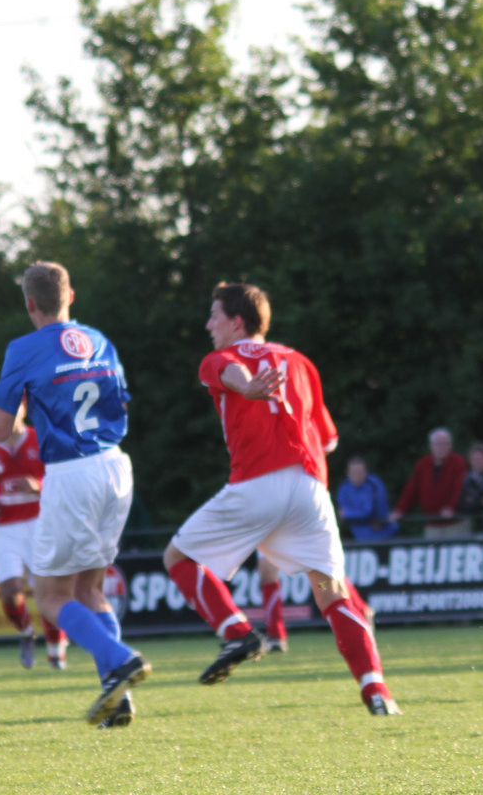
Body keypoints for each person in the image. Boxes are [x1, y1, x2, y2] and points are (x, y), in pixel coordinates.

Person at [162, 282, 400, 715]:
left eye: (214, 316)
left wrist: (249, 388)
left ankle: (236, 632)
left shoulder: (218, 358)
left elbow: (232, 373)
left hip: (258, 486)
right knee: (333, 594)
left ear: (237, 322)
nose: (208, 325)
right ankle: (376, 691)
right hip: (309, 490)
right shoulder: (300, 361)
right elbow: (328, 441)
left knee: (178, 558)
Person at [0, 261, 147, 728]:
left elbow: (0, 431)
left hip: (71, 472)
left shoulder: (23, 348)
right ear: (70, 296)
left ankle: (120, 657)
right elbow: (120, 402)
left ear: (29, 303)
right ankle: (117, 697)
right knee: (89, 589)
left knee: (50, 596)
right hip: (115, 465)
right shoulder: (99, 339)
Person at [0, 404, 68, 670]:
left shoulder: (41, 437)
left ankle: (55, 650)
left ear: (20, 413)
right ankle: (25, 632)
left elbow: (62, 476)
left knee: (47, 592)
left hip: (40, 524)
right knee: (10, 592)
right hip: (5, 528)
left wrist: (39, 486)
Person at [388, 428, 469, 538]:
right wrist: (400, 510)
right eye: (437, 444)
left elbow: (460, 488)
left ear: (451, 446)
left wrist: (451, 507)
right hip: (432, 524)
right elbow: (411, 489)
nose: (441, 447)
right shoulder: (423, 464)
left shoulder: (458, 462)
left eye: (445, 444)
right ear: (431, 446)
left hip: (455, 524)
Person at [336, 456, 398, 541]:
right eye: (353, 473)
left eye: (359, 473)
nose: (356, 476)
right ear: (348, 474)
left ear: (365, 472)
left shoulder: (373, 485)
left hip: (382, 532)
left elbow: (368, 512)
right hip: (358, 534)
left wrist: (347, 513)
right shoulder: (344, 488)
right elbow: (341, 513)